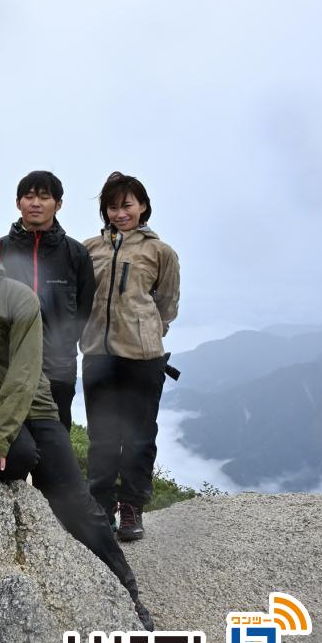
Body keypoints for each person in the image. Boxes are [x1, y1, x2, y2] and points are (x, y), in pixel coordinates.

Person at [0, 223, 153, 631]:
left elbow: (25, 373)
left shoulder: (14, 297)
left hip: (33, 400)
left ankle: (129, 597)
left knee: (76, 503)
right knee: (19, 456)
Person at [80, 172, 180, 542]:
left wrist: (149, 330)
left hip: (143, 357)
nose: (120, 212)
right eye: (112, 206)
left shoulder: (160, 252)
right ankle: (101, 506)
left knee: (138, 436)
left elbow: (167, 303)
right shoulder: (90, 248)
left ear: (142, 206)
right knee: (102, 435)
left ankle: (132, 509)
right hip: (97, 354)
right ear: (104, 210)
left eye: (127, 204)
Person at [0, 171, 95, 428]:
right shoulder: (0, 249)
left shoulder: (76, 253)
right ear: (18, 203)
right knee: (10, 431)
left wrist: (65, 341)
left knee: (56, 430)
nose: (36, 203)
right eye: (28, 197)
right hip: (7, 360)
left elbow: (85, 306)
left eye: (44, 197)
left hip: (59, 363)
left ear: (58, 204)